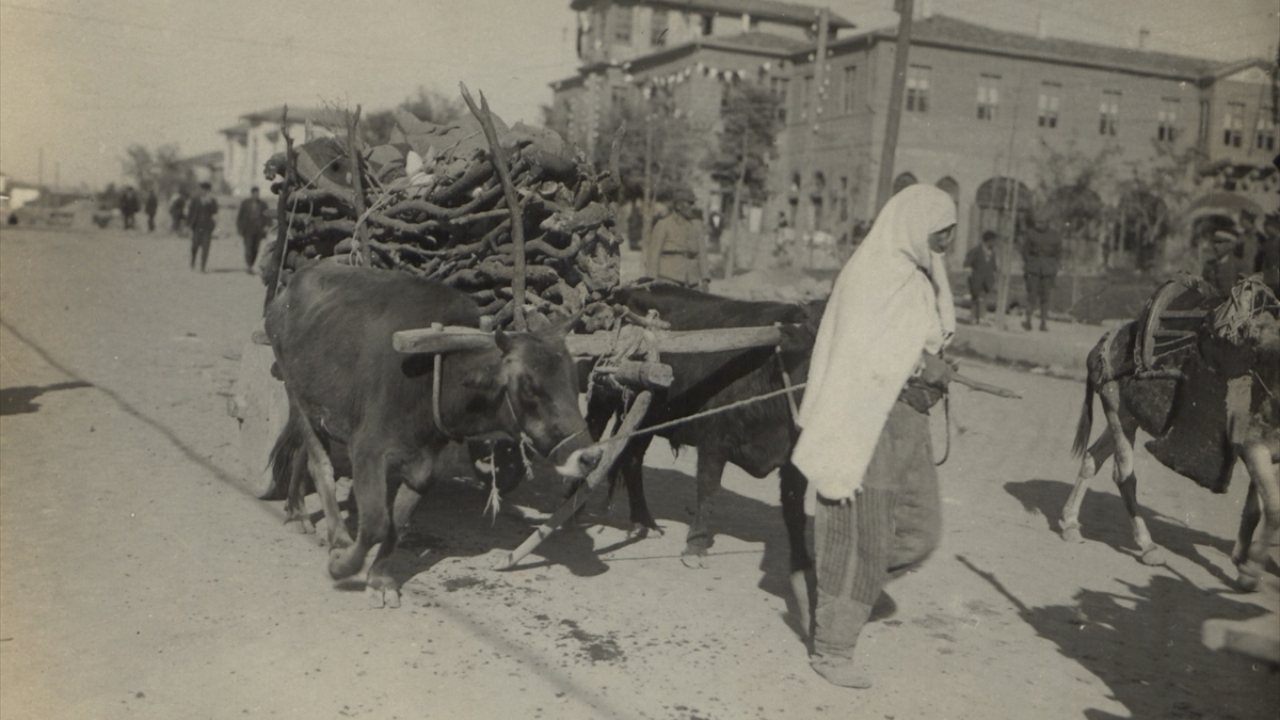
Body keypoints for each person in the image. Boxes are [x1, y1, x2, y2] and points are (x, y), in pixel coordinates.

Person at [791, 185, 957, 689]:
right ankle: (833, 647)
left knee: (922, 530)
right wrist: (921, 364)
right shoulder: (869, 274)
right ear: (913, 225)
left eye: (951, 232)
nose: (947, 241)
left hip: (909, 420)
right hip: (867, 423)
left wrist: (933, 362)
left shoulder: (917, 277)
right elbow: (860, 358)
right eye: (940, 232)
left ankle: (828, 591)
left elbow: (940, 331)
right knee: (860, 536)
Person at [645, 187, 709, 290]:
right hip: (669, 278)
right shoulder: (663, 225)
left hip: (692, 281)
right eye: (690, 203)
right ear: (678, 206)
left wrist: (705, 279)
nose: (693, 207)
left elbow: (702, 253)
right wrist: (652, 280)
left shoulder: (696, 226)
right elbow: (654, 254)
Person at [1020, 213, 1062, 332]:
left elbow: (1058, 253)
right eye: (1038, 222)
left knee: (1045, 297)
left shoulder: (1054, 236)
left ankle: (1043, 322)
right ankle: (1027, 321)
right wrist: (1029, 263)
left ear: (1047, 223)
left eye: (1042, 222)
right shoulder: (1031, 234)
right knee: (1031, 295)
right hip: (1033, 269)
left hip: (1048, 270)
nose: (1039, 225)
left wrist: (1053, 266)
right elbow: (1025, 251)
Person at [964, 230, 999, 324]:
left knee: (983, 299)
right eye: (993, 241)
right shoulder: (975, 251)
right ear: (987, 240)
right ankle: (973, 318)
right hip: (976, 279)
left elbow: (994, 266)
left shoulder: (992, 253)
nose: (994, 243)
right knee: (976, 299)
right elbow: (967, 265)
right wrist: (970, 277)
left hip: (987, 280)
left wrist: (993, 277)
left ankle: (981, 318)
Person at [236, 187, 271, 274]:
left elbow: (268, 216)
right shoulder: (245, 203)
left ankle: (251, 264)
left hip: (259, 230)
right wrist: (239, 228)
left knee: (255, 249)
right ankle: (248, 266)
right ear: (251, 194)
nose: (256, 195)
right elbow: (240, 217)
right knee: (248, 248)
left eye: (257, 193)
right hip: (247, 230)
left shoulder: (263, 204)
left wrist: (267, 226)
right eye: (254, 193)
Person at [187, 182, 219, 272]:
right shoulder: (195, 199)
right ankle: (193, 261)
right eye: (203, 189)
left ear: (209, 191)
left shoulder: (212, 200)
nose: (204, 191)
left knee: (206, 247)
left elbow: (215, 211)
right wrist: (188, 225)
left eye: (206, 190)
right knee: (194, 246)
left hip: (207, 227)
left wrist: (209, 203)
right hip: (196, 226)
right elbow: (190, 212)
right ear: (200, 190)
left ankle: (203, 266)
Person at [1203, 228, 1244, 297]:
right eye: (1214, 242)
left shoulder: (1239, 265)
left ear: (1230, 245)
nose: (1215, 246)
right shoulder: (1209, 265)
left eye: (1220, 242)